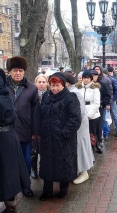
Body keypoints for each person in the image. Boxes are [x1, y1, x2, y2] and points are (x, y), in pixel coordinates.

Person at [0, 68, 31, 212]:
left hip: (0, 142)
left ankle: (8, 205)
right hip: (7, 139)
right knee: (9, 173)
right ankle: (10, 204)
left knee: (4, 174)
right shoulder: (4, 96)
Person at [39, 72, 81, 200]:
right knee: (47, 164)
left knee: (63, 164)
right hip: (47, 138)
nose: (54, 88)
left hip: (64, 139)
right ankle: (47, 190)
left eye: (57, 85)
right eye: (52, 85)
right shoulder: (46, 96)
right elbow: (42, 114)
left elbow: (75, 119)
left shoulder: (70, 98)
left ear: (63, 85)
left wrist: (64, 133)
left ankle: (63, 189)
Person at [6, 56, 40, 198]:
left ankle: (26, 186)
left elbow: (36, 112)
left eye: (20, 70)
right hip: (6, 132)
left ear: (24, 71)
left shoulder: (31, 88)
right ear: (9, 71)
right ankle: (10, 189)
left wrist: (35, 132)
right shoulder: (2, 86)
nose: (18, 73)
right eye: (15, 70)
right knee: (9, 162)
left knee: (26, 161)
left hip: (25, 132)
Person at [64, 72, 95, 185]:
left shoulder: (74, 93)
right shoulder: (70, 91)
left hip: (79, 126)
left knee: (81, 146)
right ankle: (77, 170)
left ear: (66, 83)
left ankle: (84, 172)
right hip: (74, 125)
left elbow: (80, 113)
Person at [31, 74, 49, 180]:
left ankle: (44, 169)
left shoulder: (50, 94)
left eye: (43, 82)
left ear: (47, 83)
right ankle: (34, 169)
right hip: (34, 126)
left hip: (46, 127)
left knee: (44, 150)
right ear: (35, 83)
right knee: (34, 150)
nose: (41, 84)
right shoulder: (32, 95)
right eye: (39, 82)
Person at [93, 66, 112, 141]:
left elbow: (108, 93)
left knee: (102, 121)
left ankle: (103, 136)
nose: (96, 71)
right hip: (92, 107)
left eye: (98, 70)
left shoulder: (103, 83)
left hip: (101, 106)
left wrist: (105, 104)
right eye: (95, 70)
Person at [103, 68, 117, 137]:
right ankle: (113, 129)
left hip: (111, 100)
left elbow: (116, 90)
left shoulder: (112, 80)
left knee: (114, 115)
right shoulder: (111, 79)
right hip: (108, 99)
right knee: (109, 115)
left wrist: (113, 99)